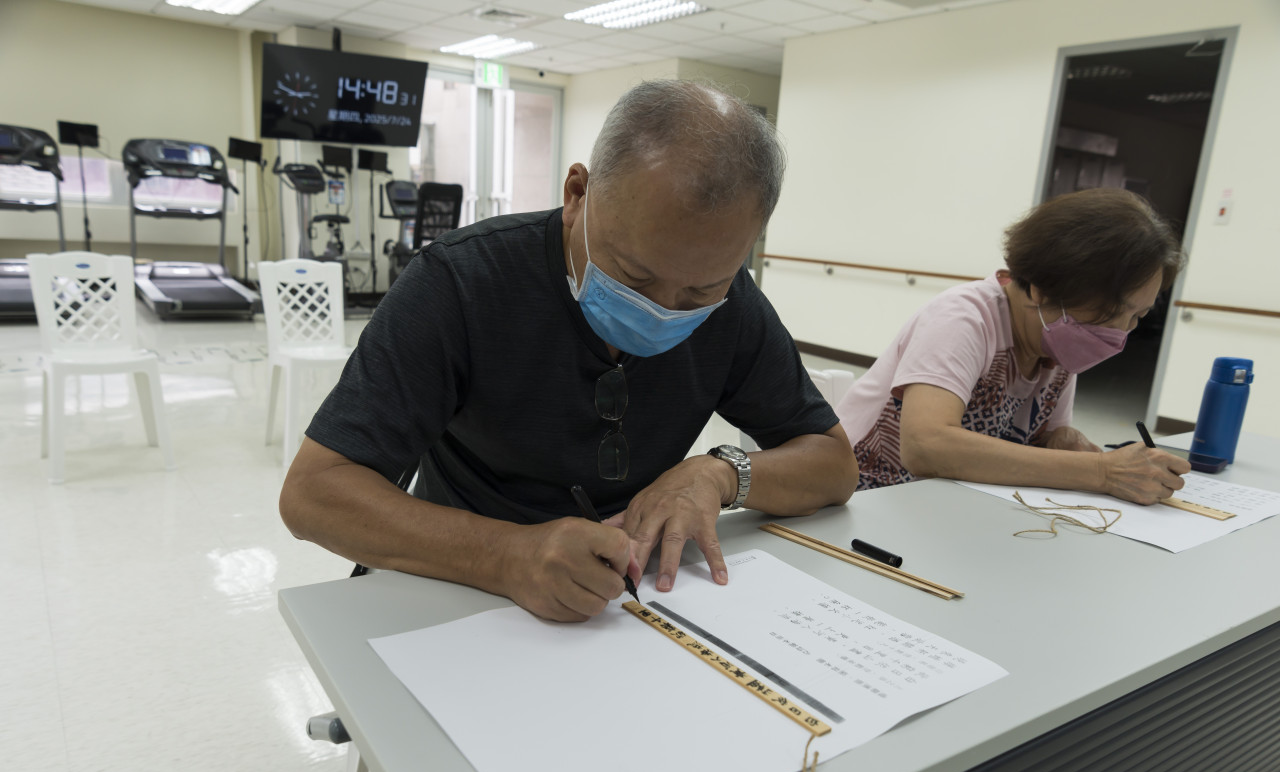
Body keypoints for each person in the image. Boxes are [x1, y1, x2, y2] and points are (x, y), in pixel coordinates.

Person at [280, 80, 859, 622]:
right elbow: (313, 494)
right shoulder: (461, 282)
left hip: (626, 602)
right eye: (634, 276)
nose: (663, 309)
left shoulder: (733, 306)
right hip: (455, 588)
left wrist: (720, 474)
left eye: (699, 291)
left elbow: (832, 464)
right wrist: (505, 554)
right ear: (578, 193)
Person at [835, 187, 1190, 504]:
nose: (1120, 332)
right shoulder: (963, 318)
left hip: (948, 500)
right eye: (1109, 313)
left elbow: (1041, 442)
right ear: (1041, 290)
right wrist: (1102, 471)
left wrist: (1061, 441)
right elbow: (926, 446)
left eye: (1138, 316)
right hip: (863, 497)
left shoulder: (1056, 341)